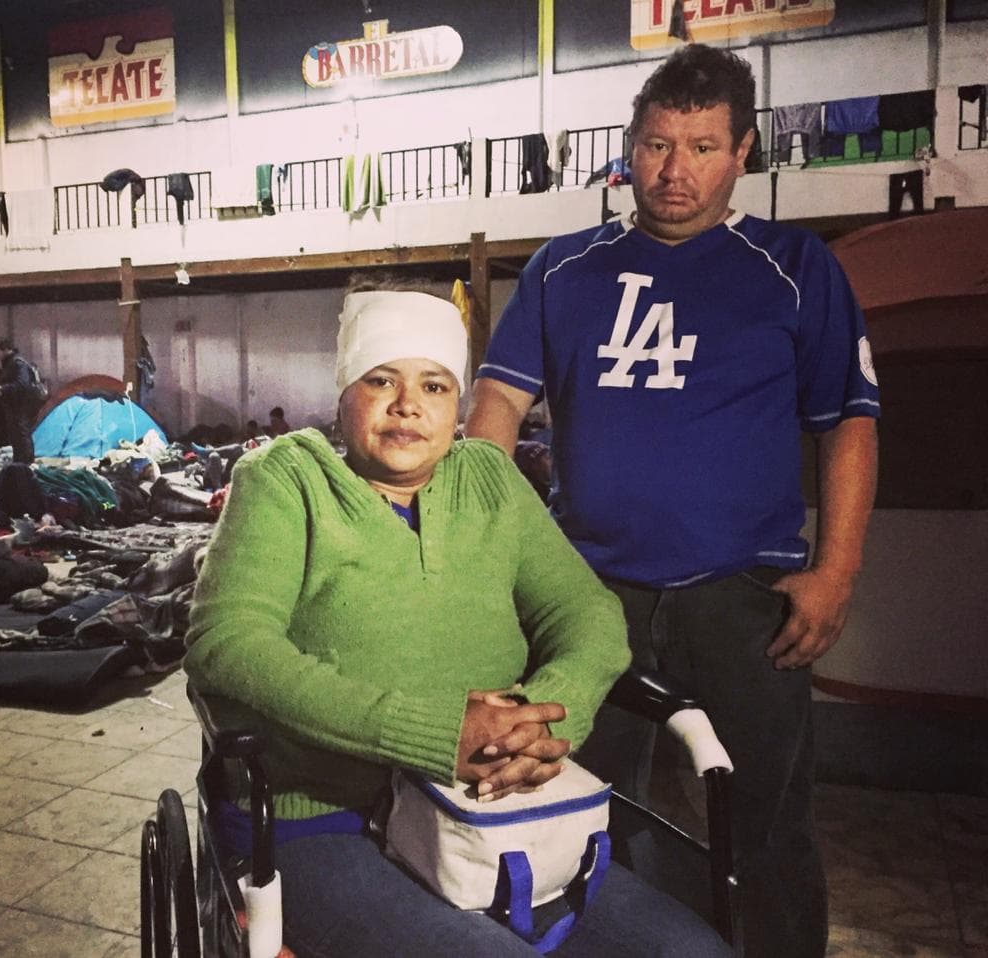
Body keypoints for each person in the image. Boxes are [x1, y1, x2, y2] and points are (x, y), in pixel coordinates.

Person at [465, 44, 879, 958]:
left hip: (745, 602)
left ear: (741, 155)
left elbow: (847, 420)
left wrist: (838, 569)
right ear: (628, 146)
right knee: (582, 809)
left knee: (767, 828)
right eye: (656, 144)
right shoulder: (564, 269)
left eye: (700, 147)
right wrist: (492, 558)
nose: (674, 170)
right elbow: (496, 408)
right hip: (590, 597)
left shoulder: (793, 267)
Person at [185, 284, 731, 957]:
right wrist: (440, 734)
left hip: (489, 811)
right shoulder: (285, 480)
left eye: (435, 386)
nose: (408, 404)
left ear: (458, 406)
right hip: (323, 821)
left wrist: (535, 723)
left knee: (693, 953)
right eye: (380, 379)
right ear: (344, 390)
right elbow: (227, 645)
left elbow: (586, 612)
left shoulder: (489, 480)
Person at [0, 336, 41, 464]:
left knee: (21, 434)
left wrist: (3, 388)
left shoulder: (17, 363)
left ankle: (27, 462)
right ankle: (19, 461)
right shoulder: (10, 363)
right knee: (16, 435)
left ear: (5, 349)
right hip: (13, 405)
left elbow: (22, 384)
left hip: (20, 405)